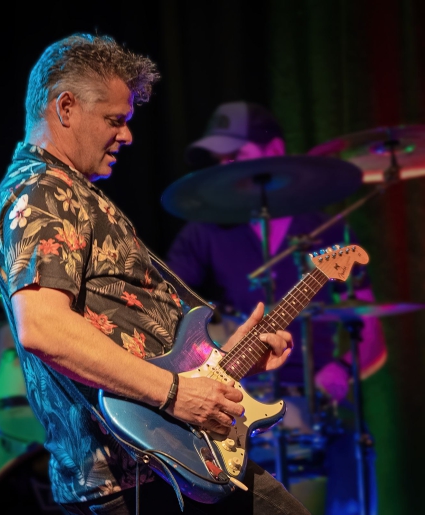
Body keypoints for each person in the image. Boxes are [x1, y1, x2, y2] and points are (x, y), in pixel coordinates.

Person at [0, 34, 312, 515]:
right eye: (114, 120)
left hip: (164, 460)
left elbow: (127, 335)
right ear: (66, 107)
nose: (128, 136)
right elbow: (43, 327)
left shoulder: (67, 191)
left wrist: (222, 361)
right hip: (137, 472)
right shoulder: (42, 191)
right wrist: (176, 394)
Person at [164, 101, 387, 515]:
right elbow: (167, 316)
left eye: (237, 154)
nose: (227, 167)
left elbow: (372, 334)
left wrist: (341, 370)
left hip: (316, 403)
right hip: (231, 400)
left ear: (275, 151)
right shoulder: (203, 234)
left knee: (352, 441)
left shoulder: (328, 233)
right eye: (221, 159)